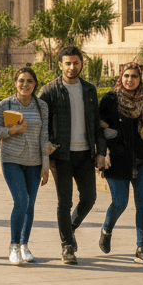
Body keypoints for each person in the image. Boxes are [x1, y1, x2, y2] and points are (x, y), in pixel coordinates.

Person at [39, 46, 107, 265]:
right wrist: (47, 149)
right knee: (64, 201)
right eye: (67, 63)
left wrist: (101, 152)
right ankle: (67, 246)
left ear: (81, 64)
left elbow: (96, 125)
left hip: (85, 154)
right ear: (60, 65)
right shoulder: (49, 91)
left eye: (76, 63)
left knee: (89, 198)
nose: (71, 67)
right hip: (62, 155)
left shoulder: (89, 89)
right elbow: (40, 122)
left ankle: (70, 228)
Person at [99, 62, 143, 265]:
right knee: (120, 202)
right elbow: (98, 126)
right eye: (126, 75)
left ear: (139, 78)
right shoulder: (110, 99)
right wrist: (106, 146)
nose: (130, 80)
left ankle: (141, 247)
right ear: (120, 76)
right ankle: (106, 230)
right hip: (117, 160)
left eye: (134, 76)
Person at [0, 68, 50, 264]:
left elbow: (44, 136)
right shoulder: (5, 104)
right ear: (15, 82)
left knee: (30, 204)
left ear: (35, 84)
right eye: (21, 81)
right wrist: (12, 130)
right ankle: (14, 245)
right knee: (21, 201)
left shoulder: (42, 106)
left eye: (30, 81)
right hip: (11, 160)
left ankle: (25, 245)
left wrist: (45, 164)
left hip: (34, 161)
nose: (25, 85)